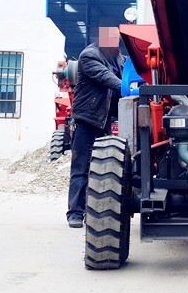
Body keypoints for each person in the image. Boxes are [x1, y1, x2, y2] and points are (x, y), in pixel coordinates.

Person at [66, 26, 125, 228]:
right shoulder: (89, 56)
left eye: (117, 38)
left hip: (105, 120)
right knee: (81, 167)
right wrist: (130, 88)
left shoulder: (118, 58)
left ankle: (96, 211)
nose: (116, 42)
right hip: (88, 119)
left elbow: (130, 71)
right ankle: (75, 213)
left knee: (103, 168)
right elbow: (107, 78)